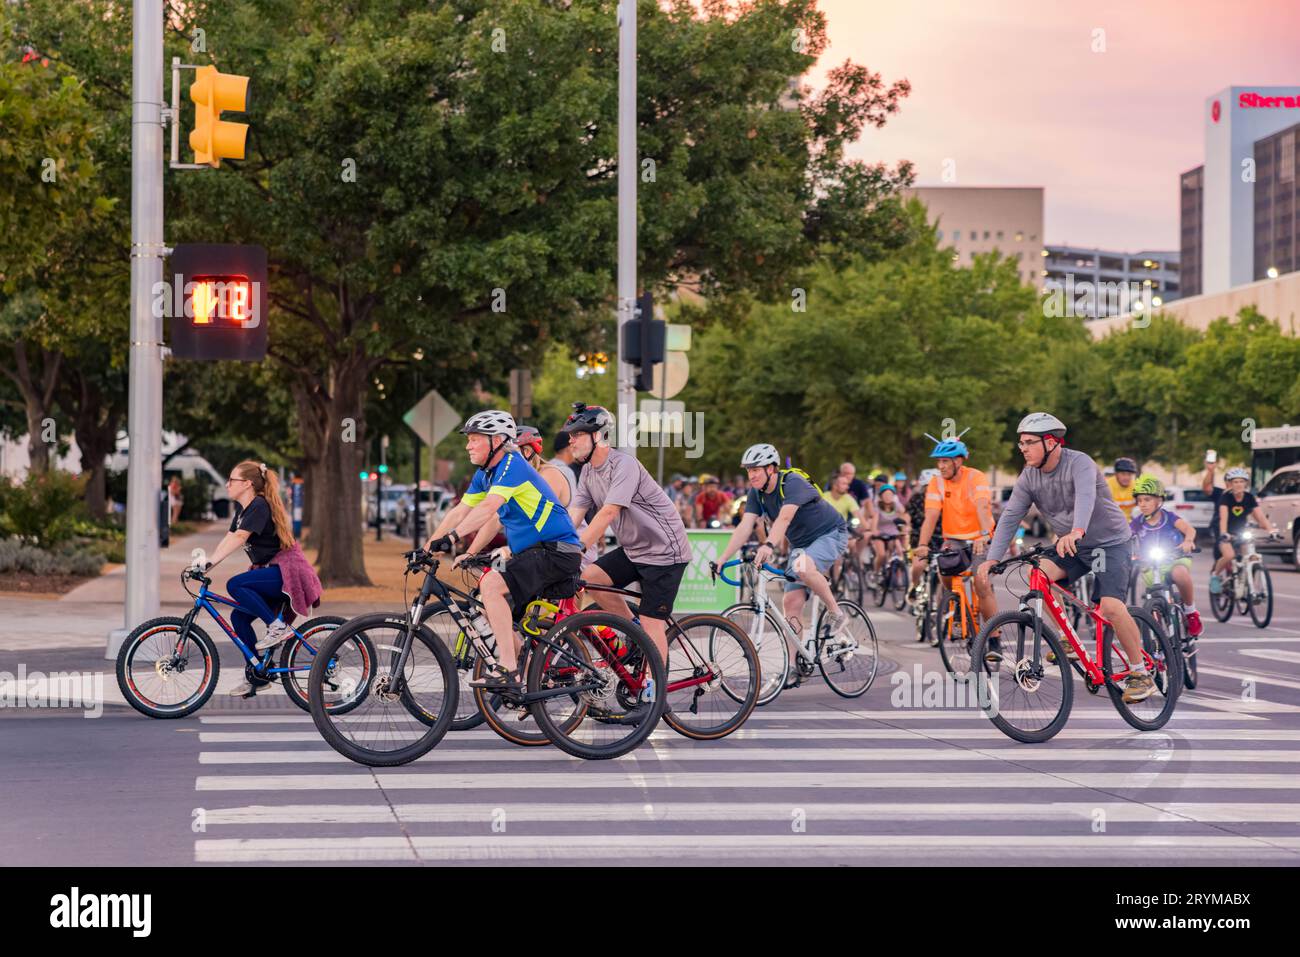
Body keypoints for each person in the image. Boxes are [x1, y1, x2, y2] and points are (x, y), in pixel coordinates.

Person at [979, 413, 1155, 703]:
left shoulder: (1080, 462)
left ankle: (1140, 673)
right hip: (1072, 544)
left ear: (1050, 442)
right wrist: (992, 557)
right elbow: (1011, 515)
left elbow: (1086, 497)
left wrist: (1076, 531)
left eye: (1028, 442)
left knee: (1110, 607)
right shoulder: (1029, 475)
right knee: (1038, 575)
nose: (1022, 448)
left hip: (1108, 543)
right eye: (1020, 442)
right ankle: (1067, 638)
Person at [424, 410, 584, 691]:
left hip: (557, 550)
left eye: (474, 439)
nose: (468, 446)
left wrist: (451, 538)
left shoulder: (512, 464)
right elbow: (462, 510)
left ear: (497, 440)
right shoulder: (485, 474)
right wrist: (426, 549)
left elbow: (488, 508)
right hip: (533, 553)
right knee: (487, 594)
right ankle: (521, 658)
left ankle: (509, 669)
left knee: (491, 585)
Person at [562, 403, 691, 674]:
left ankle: (656, 692)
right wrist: (554, 543)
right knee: (592, 579)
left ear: (597, 436)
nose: (570, 440)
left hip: (665, 551)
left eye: (577, 434)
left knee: (652, 619)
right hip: (635, 549)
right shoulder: (587, 472)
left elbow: (609, 511)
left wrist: (579, 546)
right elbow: (574, 514)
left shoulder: (624, 465)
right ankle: (635, 634)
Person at [715, 443, 849, 680]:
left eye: (757, 469)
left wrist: (768, 545)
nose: (752, 474)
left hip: (830, 533)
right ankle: (792, 663)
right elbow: (745, 526)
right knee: (791, 602)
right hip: (801, 545)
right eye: (748, 470)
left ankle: (836, 612)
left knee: (803, 567)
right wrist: (723, 558)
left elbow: (785, 518)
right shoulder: (756, 493)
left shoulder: (792, 482)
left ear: (772, 469)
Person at [203, 461, 322, 697]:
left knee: (235, 584)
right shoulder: (243, 509)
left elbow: (239, 538)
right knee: (239, 616)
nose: (227, 484)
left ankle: (276, 627)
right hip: (272, 570)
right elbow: (229, 537)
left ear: (247, 484)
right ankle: (258, 673)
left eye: (231, 480)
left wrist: (209, 564)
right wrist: (206, 563)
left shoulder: (258, 505)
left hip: (288, 571)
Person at [911, 440, 995, 642]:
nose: (940, 466)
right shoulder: (937, 481)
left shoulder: (975, 477)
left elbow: (982, 507)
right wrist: (922, 544)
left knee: (981, 583)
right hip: (954, 539)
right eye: (939, 462)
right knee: (945, 572)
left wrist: (985, 534)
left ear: (958, 461)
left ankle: (994, 638)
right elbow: (931, 515)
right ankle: (956, 607)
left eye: (945, 461)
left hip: (979, 537)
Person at [1130, 475, 1202, 637]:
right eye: (1139, 500)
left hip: (1175, 558)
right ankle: (1157, 638)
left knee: (1180, 574)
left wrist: (1188, 541)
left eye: (1147, 500)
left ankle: (1191, 612)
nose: (1142, 504)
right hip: (1150, 563)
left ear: (1159, 500)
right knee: (1152, 595)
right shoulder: (1137, 523)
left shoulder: (1169, 517)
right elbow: (1124, 537)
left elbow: (1189, 530)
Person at [1209, 466, 1280, 594]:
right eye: (1235, 482)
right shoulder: (1226, 498)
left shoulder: (1249, 498)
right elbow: (1223, 518)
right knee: (1229, 555)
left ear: (1246, 483)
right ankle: (1215, 575)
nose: (1239, 484)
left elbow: (1261, 518)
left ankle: (1247, 583)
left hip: (1241, 532)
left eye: (1242, 481)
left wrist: (1271, 530)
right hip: (1227, 533)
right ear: (1230, 484)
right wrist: (1224, 534)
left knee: (1252, 557)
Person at [870, 484, 911, 575]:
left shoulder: (896, 506)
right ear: (881, 496)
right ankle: (876, 573)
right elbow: (874, 523)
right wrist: (874, 531)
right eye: (885, 495)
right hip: (880, 534)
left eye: (890, 495)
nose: (888, 497)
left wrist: (906, 526)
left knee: (900, 552)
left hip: (893, 534)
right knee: (881, 555)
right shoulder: (877, 508)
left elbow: (905, 516)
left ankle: (899, 576)